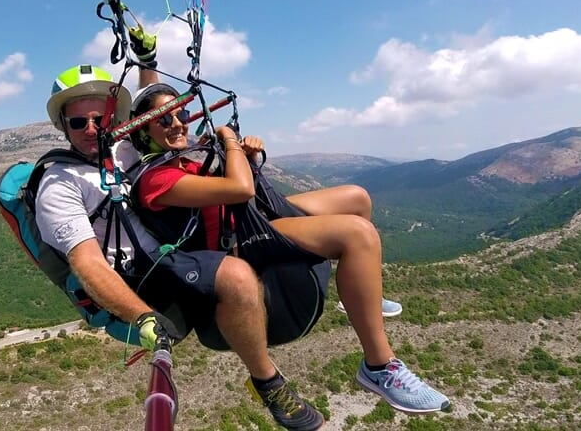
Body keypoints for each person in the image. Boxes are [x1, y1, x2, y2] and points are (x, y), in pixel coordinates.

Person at [129, 83, 451, 422]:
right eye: (164, 121)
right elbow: (240, 188)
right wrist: (229, 139)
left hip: (247, 218)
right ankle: (380, 366)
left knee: (357, 198)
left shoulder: (181, 162)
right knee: (358, 235)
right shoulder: (156, 179)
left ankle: (360, 299)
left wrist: (245, 156)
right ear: (143, 134)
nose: (178, 123)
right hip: (236, 242)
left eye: (181, 114)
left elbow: (238, 185)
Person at [34, 57, 324, 428]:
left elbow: (153, 104)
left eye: (101, 119)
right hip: (135, 276)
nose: (92, 129)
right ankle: (268, 383)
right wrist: (143, 317)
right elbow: (88, 262)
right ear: (63, 126)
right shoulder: (59, 186)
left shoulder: (119, 150)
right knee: (234, 274)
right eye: (79, 122)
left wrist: (146, 61)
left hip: (166, 251)